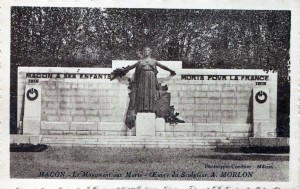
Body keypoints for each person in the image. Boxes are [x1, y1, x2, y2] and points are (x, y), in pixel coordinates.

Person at [111, 47, 176, 128]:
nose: (146, 52)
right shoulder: (140, 62)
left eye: (148, 51)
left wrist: (171, 71)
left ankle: (150, 109)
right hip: (142, 79)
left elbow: (163, 66)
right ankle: (143, 108)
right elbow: (131, 67)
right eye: (145, 51)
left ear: (150, 52)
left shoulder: (153, 61)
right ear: (143, 52)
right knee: (143, 93)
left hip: (151, 78)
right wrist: (121, 72)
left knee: (150, 93)